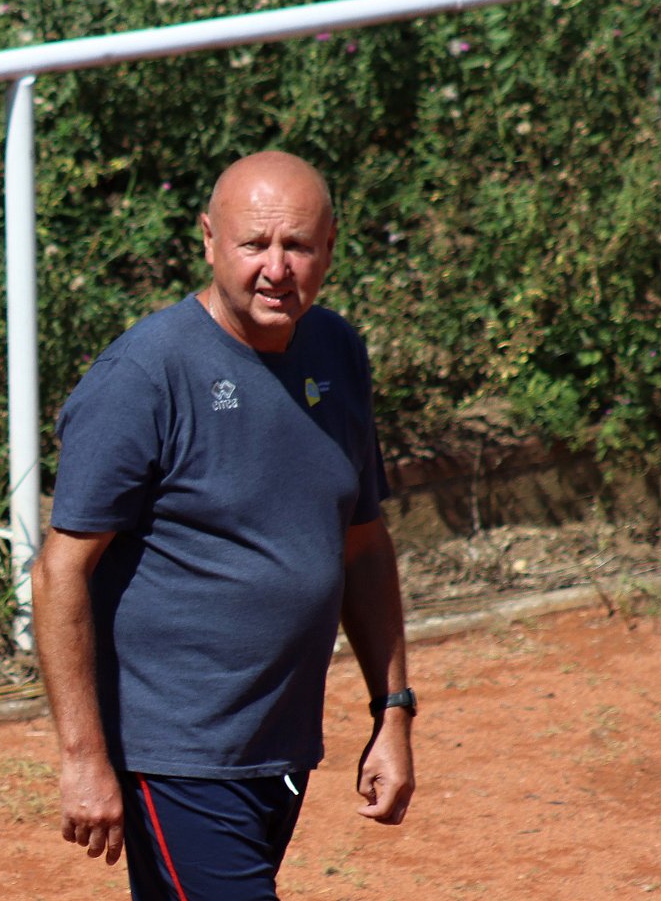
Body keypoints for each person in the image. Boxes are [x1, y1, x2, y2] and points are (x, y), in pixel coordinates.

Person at [32, 150, 415, 900]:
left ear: (330, 246)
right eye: (254, 244)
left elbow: (363, 546)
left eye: (297, 245)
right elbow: (59, 572)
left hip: (280, 743)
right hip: (177, 753)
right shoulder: (143, 376)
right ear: (209, 240)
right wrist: (82, 757)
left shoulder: (337, 351)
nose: (277, 268)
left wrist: (393, 711)